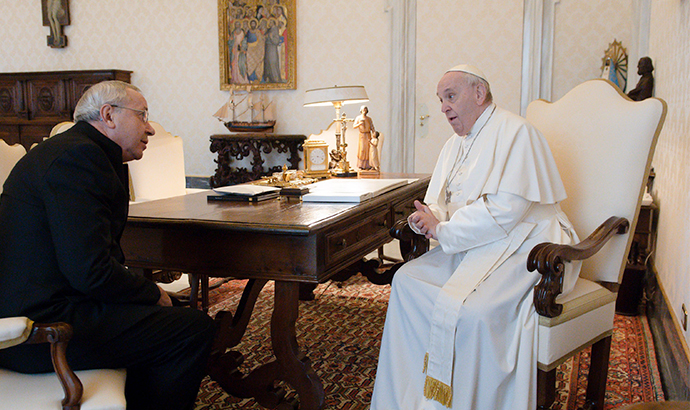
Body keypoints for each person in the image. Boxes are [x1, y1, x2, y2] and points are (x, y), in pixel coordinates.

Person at [370, 65, 581, 410]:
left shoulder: (517, 133)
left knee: (476, 313)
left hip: (529, 244)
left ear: (479, 94)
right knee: (406, 281)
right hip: (474, 241)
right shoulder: (455, 144)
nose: (443, 107)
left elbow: (507, 211)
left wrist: (443, 230)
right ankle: (410, 399)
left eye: (450, 96)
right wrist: (426, 219)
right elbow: (439, 200)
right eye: (440, 100)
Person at [0, 80, 217, 410]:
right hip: (39, 331)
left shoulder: (76, 151)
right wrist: (149, 292)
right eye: (143, 115)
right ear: (108, 115)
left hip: (52, 305)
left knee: (175, 312)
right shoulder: (78, 159)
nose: (150, 128)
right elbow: (89, 270)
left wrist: (147, 294)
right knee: (193, 329)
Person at [353, 105, 376, 170]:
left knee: (368, 150)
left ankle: (368, 165)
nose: (364, 111)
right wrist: (359, 124)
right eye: (363, 109)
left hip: (368, 135)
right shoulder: (358, 118)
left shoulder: (369, 119)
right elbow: (354, 126)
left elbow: (372, 127)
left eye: (365, 110)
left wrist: (374, 133)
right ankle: (361, 165)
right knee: (362, 150)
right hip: (362, 135)